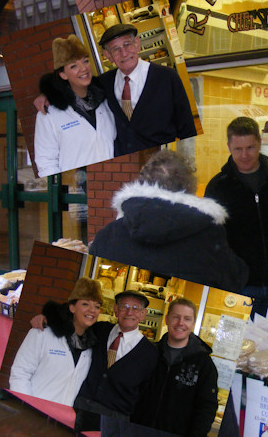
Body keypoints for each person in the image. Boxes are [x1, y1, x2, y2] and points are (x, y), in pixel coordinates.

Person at [89, 150, 248, 292]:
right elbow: (235, 279)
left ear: (143, 183)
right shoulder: (209, 235)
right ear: (189, 187)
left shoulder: (108, 235)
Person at [37, 24, 197, 157]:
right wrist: (48, 95)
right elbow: (74, 85)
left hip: (160, 162)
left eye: (127, 44)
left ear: (137, 44)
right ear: (108, 55)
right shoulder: (103, 83)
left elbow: (187, 129)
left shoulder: (167, 77)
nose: (124, 53)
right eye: (115, 49)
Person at [205, 117, 268, 320]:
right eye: (238, 149)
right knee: (237, 350)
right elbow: (210, 240)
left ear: (259, 143)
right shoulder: (218, 187)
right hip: (238, 290)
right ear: (229, 146)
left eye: (250, 147)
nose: (244, 155)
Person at [73, 290, 158, 432]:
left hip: (115, 419)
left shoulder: (150, 353)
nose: (129, 312)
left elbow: (145, 394)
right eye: (124, 306)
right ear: (116, 310)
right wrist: (46, 318)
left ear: (143, 314)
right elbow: (74, 324)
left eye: (136, 308)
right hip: (81, 407)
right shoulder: (99, 329)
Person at [131, 298, 218, 436]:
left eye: (187, 319)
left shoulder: (204, 364)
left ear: (193, 324)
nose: (180, 323)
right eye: (176, 317)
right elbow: (132, 392)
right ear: (167, 319)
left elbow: (206, 408)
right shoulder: (150, 353)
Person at [9, 278, 103, 406]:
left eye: (97, 306)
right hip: (31, 413)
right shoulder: (42, 333)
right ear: (72, 307)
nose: (92, 310)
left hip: (61, 420)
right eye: (85, 304)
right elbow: (19, 374)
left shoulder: (91, 348)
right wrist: (28, 407)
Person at [34, 35, 115, 177]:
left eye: (85, 61)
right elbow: (46, 162)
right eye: (73, 66)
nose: (83, 69)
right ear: (63, 75)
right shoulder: (49, 113)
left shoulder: (106, 100)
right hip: (77, 190)